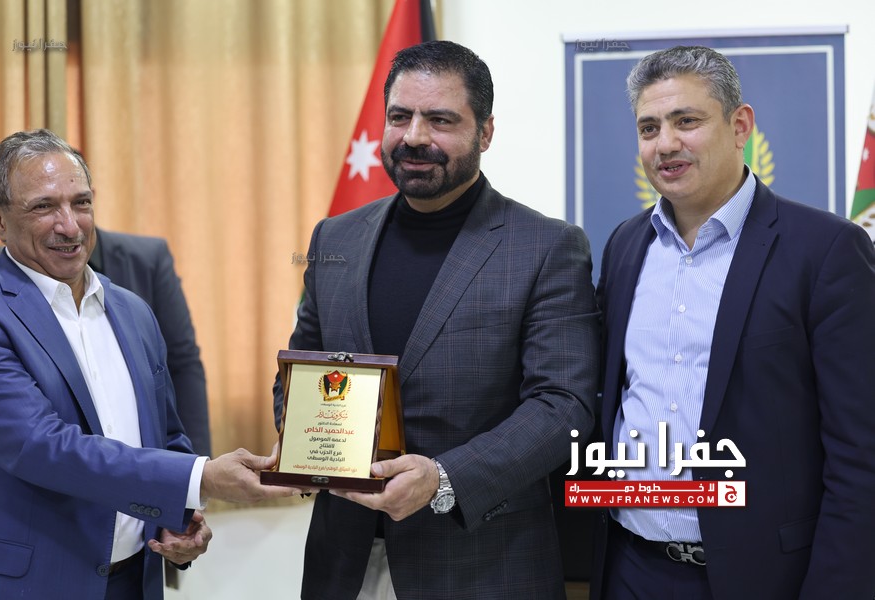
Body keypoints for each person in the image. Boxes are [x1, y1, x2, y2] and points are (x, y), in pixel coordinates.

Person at [274, 40, 599, 599]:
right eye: (400, 116)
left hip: (479, 564)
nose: (414, 137)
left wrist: (444, 480)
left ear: (485, 133)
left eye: (441, 119)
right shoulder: (335, 237)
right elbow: (301, 371)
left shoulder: (547, 247)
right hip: (344, 561)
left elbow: (563, 407)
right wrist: (306, 445)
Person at [591, 45, 875, 599]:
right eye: (649, 128)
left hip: (763, 578)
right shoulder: (625, 244)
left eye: (686, 121)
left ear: (740, 125)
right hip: (629, 568)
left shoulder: (826, 250)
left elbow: (860, 456)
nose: (665, 144)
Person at [0, 128, 297, 600]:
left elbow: (166, 436)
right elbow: (43, 446)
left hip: (136, 581)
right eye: (44, 207)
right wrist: (201, 478)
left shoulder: (132, 310)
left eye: (81, 203)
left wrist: (181, 519)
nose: (70, 226)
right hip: (36, 584)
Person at [89, 228, 212, 456]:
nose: (68, 222)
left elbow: (183, 362)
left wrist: (199, 463)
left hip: (153, 457)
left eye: (80, 207)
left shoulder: (148, 258)